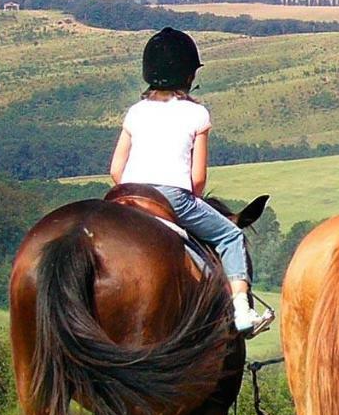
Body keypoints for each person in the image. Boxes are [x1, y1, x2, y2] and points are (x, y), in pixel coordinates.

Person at [109, 27, 272, 336]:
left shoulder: (136, 111)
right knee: (231, 237)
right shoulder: (196, 114)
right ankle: (242, 313)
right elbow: (197, 180)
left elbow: (116, 169)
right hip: (173, 198)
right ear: (187, 76)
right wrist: (186, 198)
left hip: (127, 195)